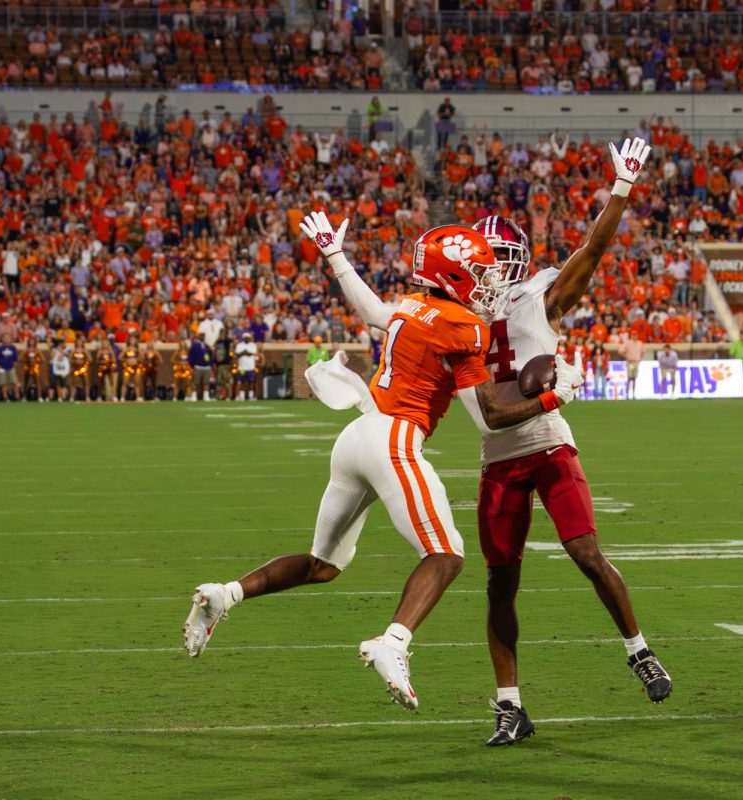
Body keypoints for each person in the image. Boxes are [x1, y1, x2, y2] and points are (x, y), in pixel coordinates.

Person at [181, 216, 583, 715]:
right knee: (447, 554)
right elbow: (493, 419)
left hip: (355, 437)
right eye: (480, 273)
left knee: (322, 564)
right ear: (454, 278)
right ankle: (393, 642)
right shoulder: (464, 326)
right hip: (393, 438)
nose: (489, 283)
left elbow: (374, 312)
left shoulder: (414, 306)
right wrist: (553, 397)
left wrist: (335, 257)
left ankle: (226, 595)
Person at [464, 136, 671, 749]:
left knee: (585, 553)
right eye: (475, 261)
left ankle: (638, 649)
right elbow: (490, 413)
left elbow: (595, 249)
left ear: (513, 260)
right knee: (500, 584)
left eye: (491, 259)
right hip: (498, 457)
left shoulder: (539, 294)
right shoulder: (458, 318)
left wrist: (623, 190)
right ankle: (510, 707)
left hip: (550, 446)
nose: (481, 270)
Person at [0, 335, 20, 401]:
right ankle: (5, 397)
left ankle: (17, 397)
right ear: (2, 340)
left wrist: (15, 364)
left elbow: (16, 358)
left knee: (15, 382)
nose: (6, 340)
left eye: (8, 338)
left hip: (11, 367)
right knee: (3, 383)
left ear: (10, 339)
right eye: (5, 338)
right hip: (2, 368)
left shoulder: (13, 348)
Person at [234, 331, 259, 401]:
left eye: (248, 338)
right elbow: (237, 354)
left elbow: (252, 353)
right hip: (241, 367)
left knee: (251, 382)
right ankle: (239, 396)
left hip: (250, 367)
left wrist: (244, 352)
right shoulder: (239, 345)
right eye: (245, 338)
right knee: (240, 382)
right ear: (243, 338)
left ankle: (251, 396)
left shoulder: (253, 345)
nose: (247, 339)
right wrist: (245, 352)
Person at [188, 336, 213, 401]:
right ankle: (194, 395)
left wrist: (210, 364)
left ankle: (206, 396)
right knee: (195, 382)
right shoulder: (194, 346)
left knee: (206, 382)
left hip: (206, 367)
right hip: (197, 366)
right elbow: (191, 355)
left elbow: (210, 355)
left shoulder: (207, 346)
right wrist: (192, 365)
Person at [213, 328, 234, 400]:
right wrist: (215, 362)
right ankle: (217, 396)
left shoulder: (227, 341)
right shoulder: (218, 342)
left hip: (226, 364)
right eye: (221, 333)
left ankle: (229, 396)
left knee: (226, 381)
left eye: (224, 333)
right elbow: (215, 352)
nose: (222, 334)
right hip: (219, 365)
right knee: (219, 381)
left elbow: (231, 348)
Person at [622, 331, 644, 399]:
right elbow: (621, 351)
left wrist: (640, 359)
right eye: (633, 335)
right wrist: (626, 357)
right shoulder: (627, 343)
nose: (634, 336)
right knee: (629, 378)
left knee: (634, 378)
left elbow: (643, 352)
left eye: (636, 335)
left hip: (636, 362)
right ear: (631, 336)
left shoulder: (640, 343)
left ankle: (634, 394)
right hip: (630, 362)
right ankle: (627, 394)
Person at [119, 337, 142, 402]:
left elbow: (142, 358)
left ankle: (138, 397)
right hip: (127, 368)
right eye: (131, 339)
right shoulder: (126, 349)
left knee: (137, 383)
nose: (132, 341)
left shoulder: (137, 350)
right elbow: (120, 357)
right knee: (125, 383)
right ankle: (122, 397)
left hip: (136, 367)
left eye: (134, 339)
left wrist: (137, 360)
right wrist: (126, 360)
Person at [69, 337, 91, 401]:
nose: (79, 343)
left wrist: (84, 361)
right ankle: (72, 397)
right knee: (74, 383)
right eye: (77, 341)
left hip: (84, 369)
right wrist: (75, 362)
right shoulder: (73, 350)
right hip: (75, 368)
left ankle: (87, 397)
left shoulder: (85, 350)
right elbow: (70, 359)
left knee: (86, 382)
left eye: (80, 341)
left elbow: (90, 359)